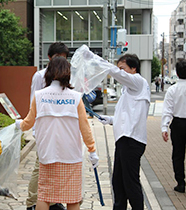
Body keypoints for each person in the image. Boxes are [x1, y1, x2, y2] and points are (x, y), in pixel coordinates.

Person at [16, 56, 99, 210]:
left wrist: (17, 124)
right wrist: (92, 150)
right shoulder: (75, 97)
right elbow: (84, 127)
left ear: (49, 72)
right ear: (68, 73)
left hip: (47, 153)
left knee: (44, 196)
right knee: (72, 197)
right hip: (71, 155)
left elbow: (28, 122)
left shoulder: (39, 96)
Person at [98, 54, 150, 210]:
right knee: (118, 181)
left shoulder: (139, 82)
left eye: (123, 69)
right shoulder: (129, 89)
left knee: (130, 182)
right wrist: (110, 119)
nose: (120, 72)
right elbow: (128, 115)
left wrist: (97, 60)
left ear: (133, 69)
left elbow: (116, 73)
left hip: (131, 141)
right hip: (125, 140)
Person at [27, 42, 69, 210]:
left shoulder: (66, 75)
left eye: (64, 58)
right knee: (41, 167)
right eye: (58, 57)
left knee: (57, 167)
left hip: (60, 130)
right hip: (45, 129)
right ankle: (32, 202)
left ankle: (53, 201)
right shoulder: (40, 75)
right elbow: (33, 102)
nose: (61, 61)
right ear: (50, 57)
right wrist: (35, 129)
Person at [161, 59, 186, 193]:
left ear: (177, 72)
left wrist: (164, 128)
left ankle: (180, 182)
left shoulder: (172, 90)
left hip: (178, 124)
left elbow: (167, 110)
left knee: (178, 154)